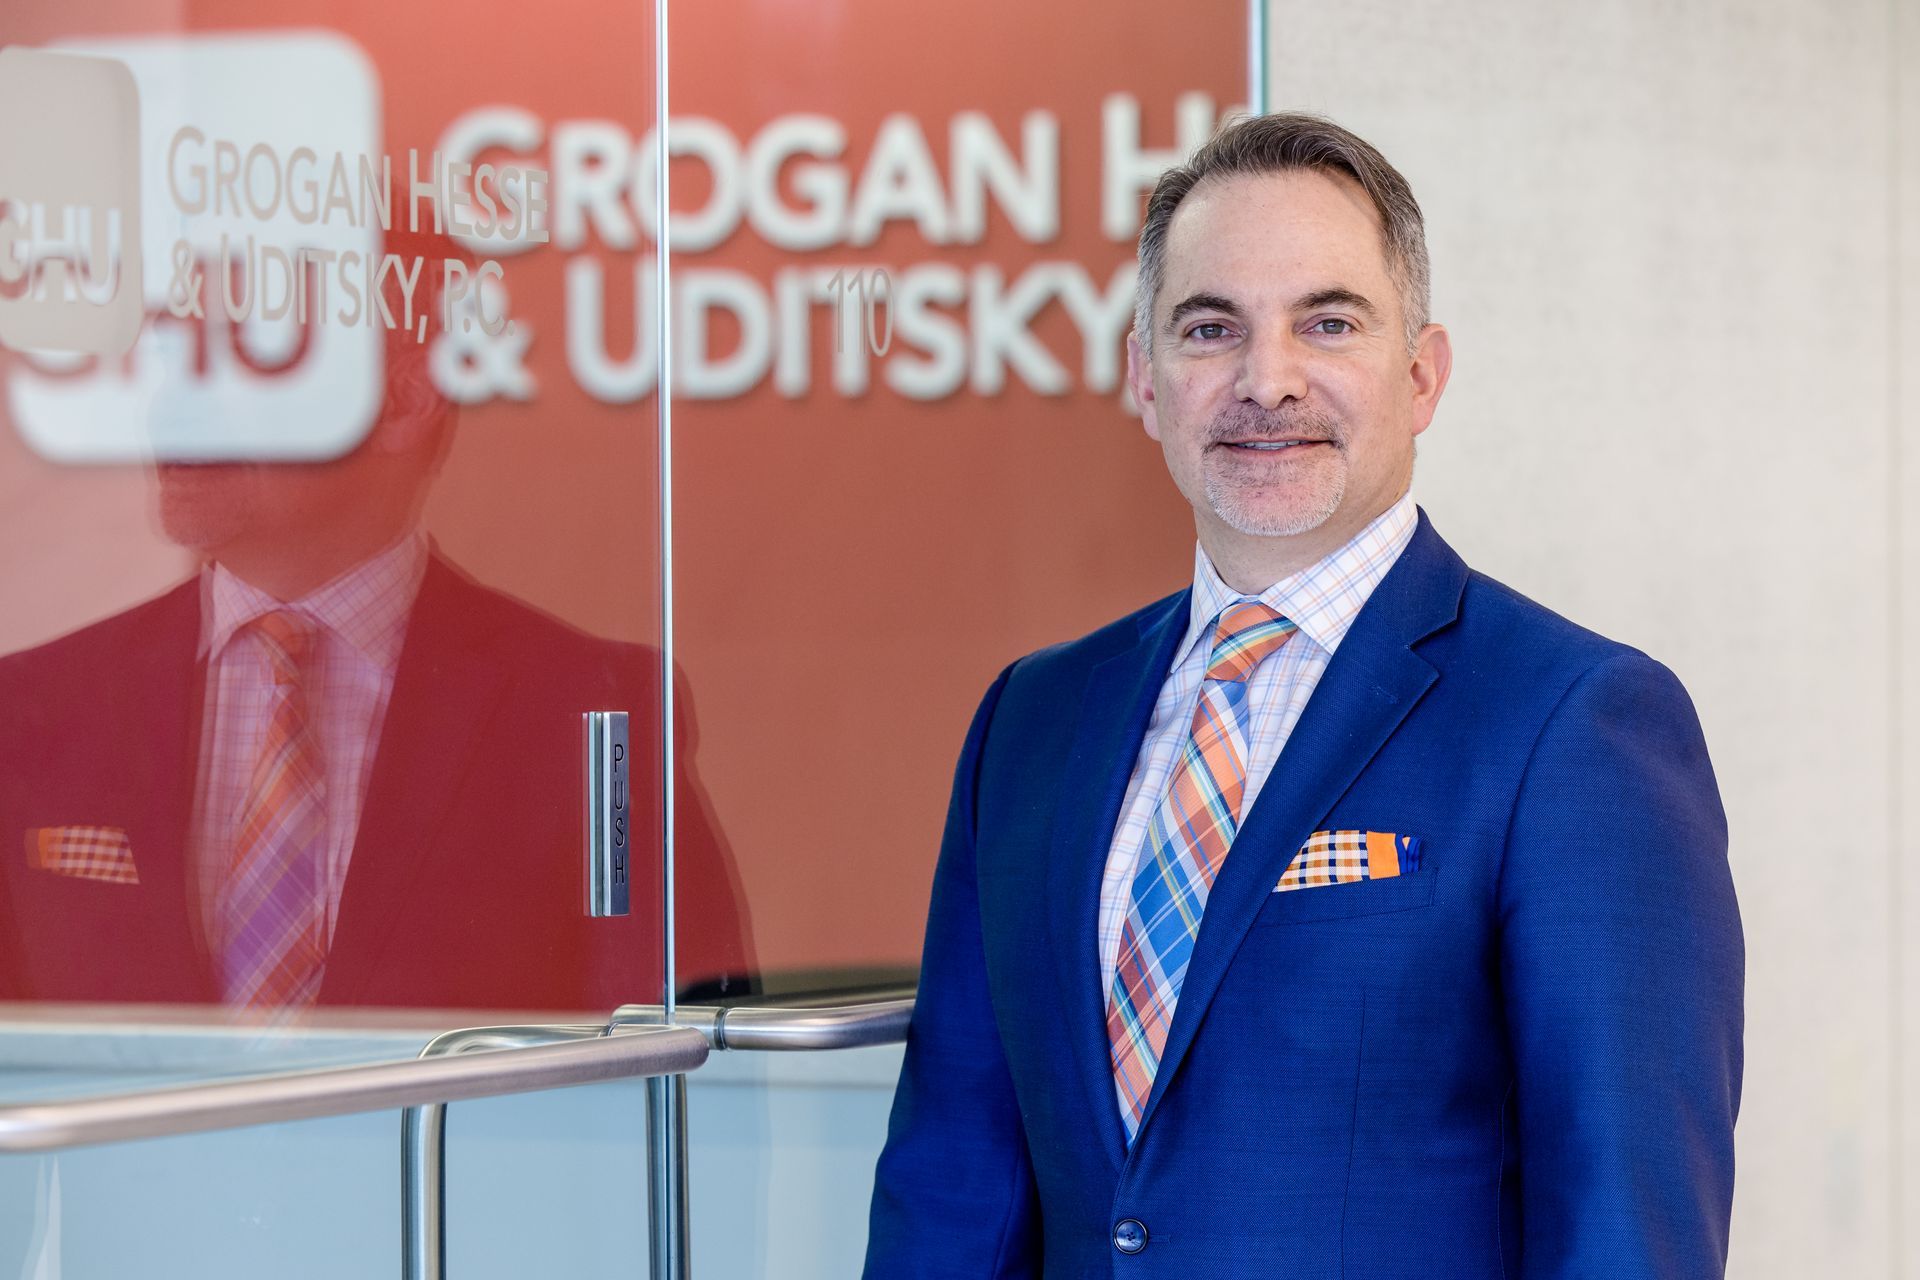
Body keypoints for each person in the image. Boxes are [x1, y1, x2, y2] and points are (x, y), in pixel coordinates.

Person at [863, 113, 1743, 1277]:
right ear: (1144, 377)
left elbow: (1624, 1224)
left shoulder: (1575, 722)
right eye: (1210, 326)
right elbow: (953, 1180)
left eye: (1327, 322)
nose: (1265, 381)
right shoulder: (1031, 721)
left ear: (1421, 374)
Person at [0, 228, 751, 1015]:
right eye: (170, 354)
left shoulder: (591, 716)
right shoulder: (35, 711)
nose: (173, 403)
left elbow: (688, 1084)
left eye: (241, 355)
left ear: (402, 401)